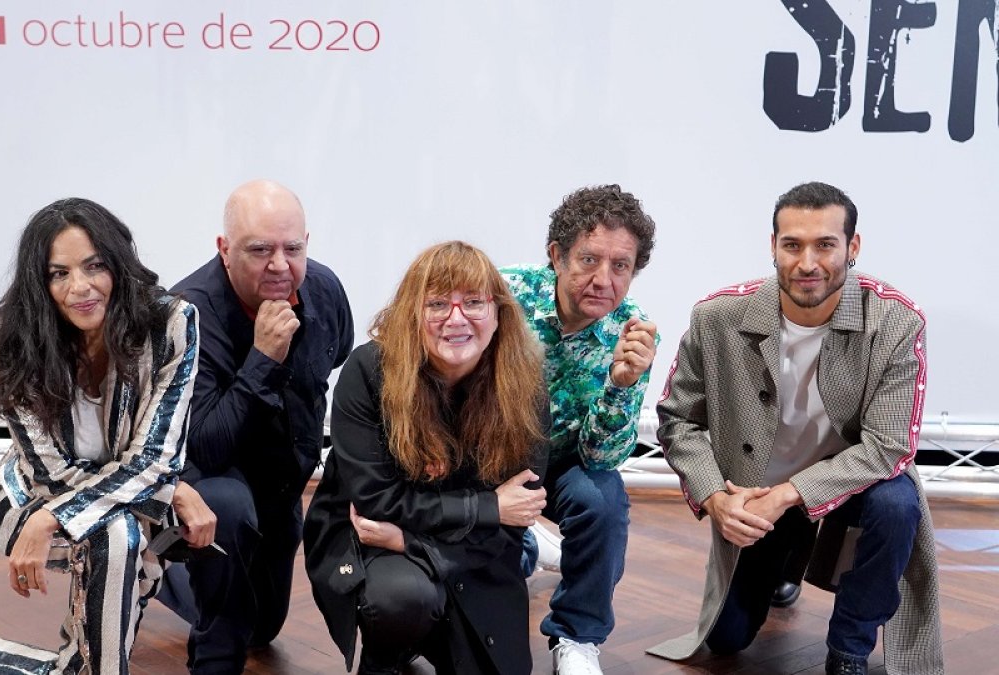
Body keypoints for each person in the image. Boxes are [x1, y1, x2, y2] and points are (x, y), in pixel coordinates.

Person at [0, 197, 200, 673]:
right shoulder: (8, 336)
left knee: (86, 660)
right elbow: (48, 471)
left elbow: (155, 458)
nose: (81, 287)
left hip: (103, 508)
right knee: (120, 539)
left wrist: (158, 485)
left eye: (95, 266)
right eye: (59, 274)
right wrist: (49, 517)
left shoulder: (171, 325)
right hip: (27, 498)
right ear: (41, 282)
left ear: (118, 263)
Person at [648, 182, 943, 675]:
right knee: (726, 639)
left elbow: (890, 447)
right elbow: (679, 419)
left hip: (847, 487)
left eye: (825, 244)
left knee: (898, 502)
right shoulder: (717, 316)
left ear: (853, 248)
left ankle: (849, 647)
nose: (808, 263)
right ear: (772, 247)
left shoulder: (896, 321)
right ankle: (784, 565)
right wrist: (716, 499)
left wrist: (789, 494)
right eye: (792, 245)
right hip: (754, 490)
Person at [304, 240, 550, 674]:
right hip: (375, 554)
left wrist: (408, 541)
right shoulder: (368, 372)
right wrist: (489, 506)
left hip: (475, 554)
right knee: (403, 599)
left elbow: (516, 519)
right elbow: (376, 504)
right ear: (412, 315)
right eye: (437, 303)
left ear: (498, 313)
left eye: (473, 302)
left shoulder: (525, 386)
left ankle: (431, 630)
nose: (456, 318)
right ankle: (390, 651)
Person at [155, 179, 354, 674]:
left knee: (261, 628)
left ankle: (167, 574)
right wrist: (263, 357)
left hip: (282, 483)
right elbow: (208, 443)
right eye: (259, 250)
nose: (280, 266)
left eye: (293, 248)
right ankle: (162, 567)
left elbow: (340, 356)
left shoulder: (323, 290)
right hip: (216, 483)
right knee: (228, 505)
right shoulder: (188, 314)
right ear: (224, 250)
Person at [500, 185, 659, 675]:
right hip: (493, 452)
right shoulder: (504, 297)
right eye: (588, 260)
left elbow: (602, 457)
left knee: (603, 499)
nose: (603, 280)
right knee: (502, 567)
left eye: (620, 266)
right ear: (556, 255)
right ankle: (528, 545)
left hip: (570, 457)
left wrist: (622, 384)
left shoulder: (632, 331)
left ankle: (576, 635)